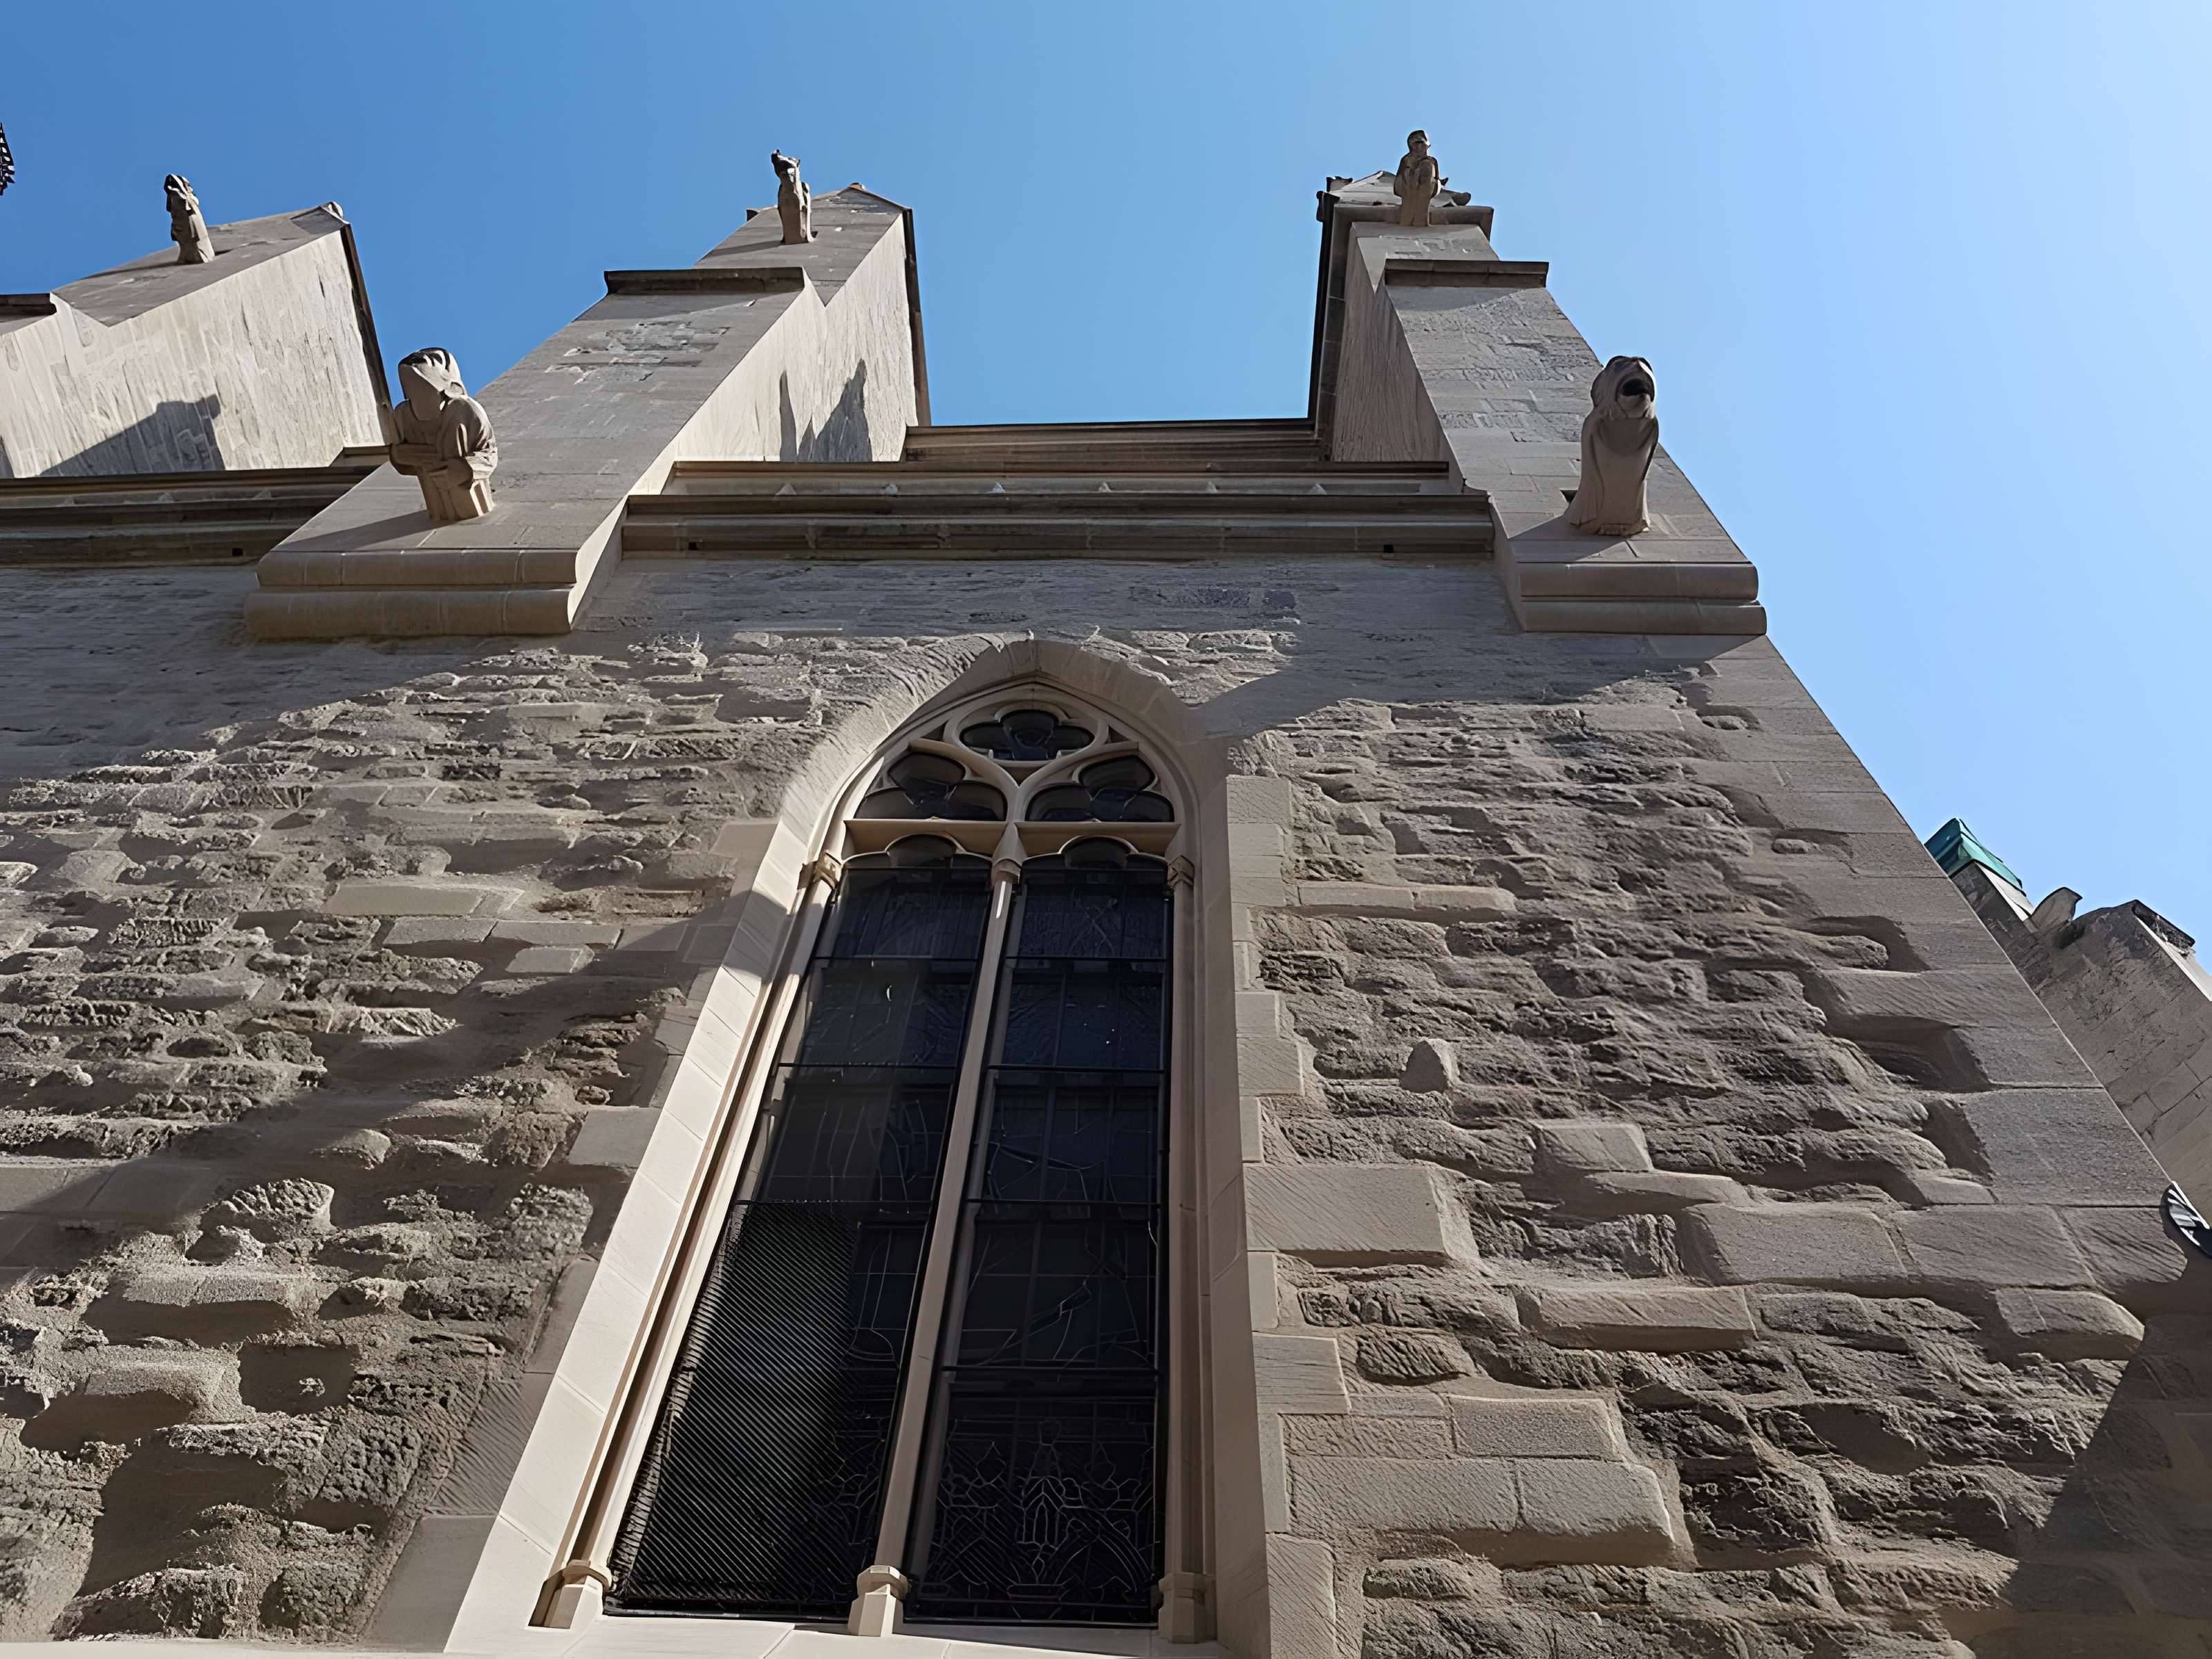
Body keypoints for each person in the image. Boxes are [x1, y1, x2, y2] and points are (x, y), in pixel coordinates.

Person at [391, 348, 498, 522]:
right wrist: (398, 457)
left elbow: (490, 452)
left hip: (470, 504)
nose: (417, 394)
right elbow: (402, 460)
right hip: (436, 504)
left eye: (422, 386)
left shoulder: (465, 410)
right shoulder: (403, 415)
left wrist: (465, 469)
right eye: (411, 387)